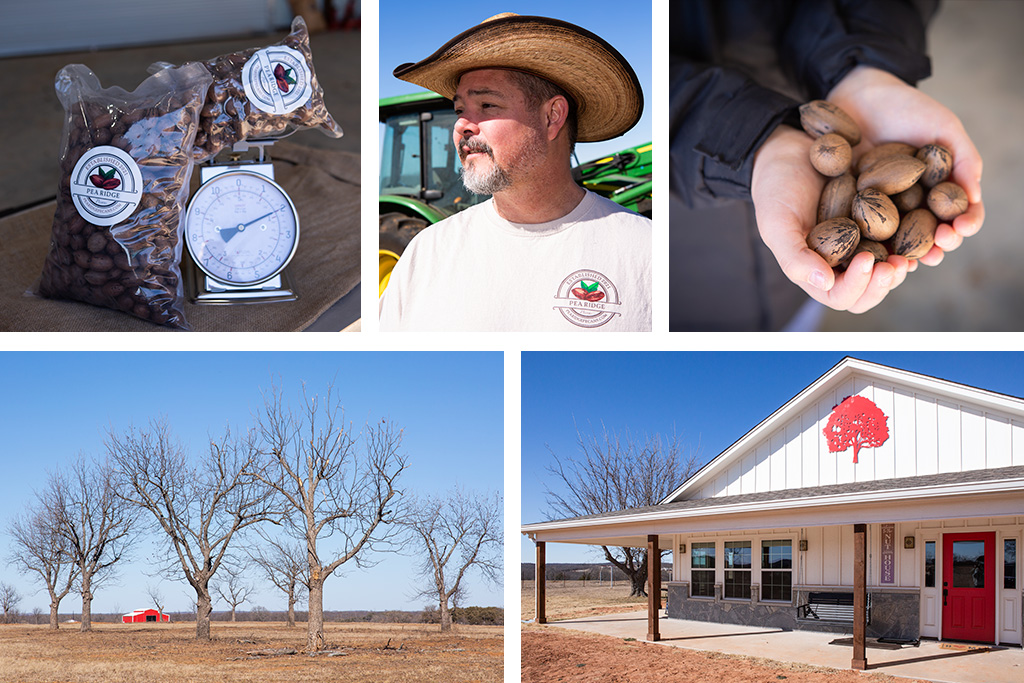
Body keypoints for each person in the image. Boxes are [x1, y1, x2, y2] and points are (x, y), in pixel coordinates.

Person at [669, 0, 984, 331]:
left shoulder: (860, 178)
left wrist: (865, 67)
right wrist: (751, 143)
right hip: (692, 277)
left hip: (793, 294)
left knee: (811, 301)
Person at [379, 13, 652, 332]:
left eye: (487, 106)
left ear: (552, 117)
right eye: (459, 110)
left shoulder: (647, 252)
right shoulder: (424, 254)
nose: (461, 126)